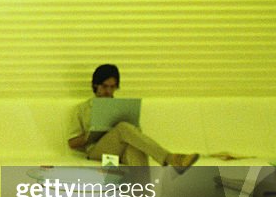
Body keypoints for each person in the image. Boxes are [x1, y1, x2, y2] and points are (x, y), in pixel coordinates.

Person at [67, 64, 198, 172]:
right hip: (97, 153)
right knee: (123, 128)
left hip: (118, 154)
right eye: (104, 86)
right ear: (96, 85)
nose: (108, 91)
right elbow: (72, 143)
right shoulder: (82, 109)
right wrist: (90, 135)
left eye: (112, 87)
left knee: (135, 150)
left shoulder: (122, 108)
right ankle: (171, 158)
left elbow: (137, 136)